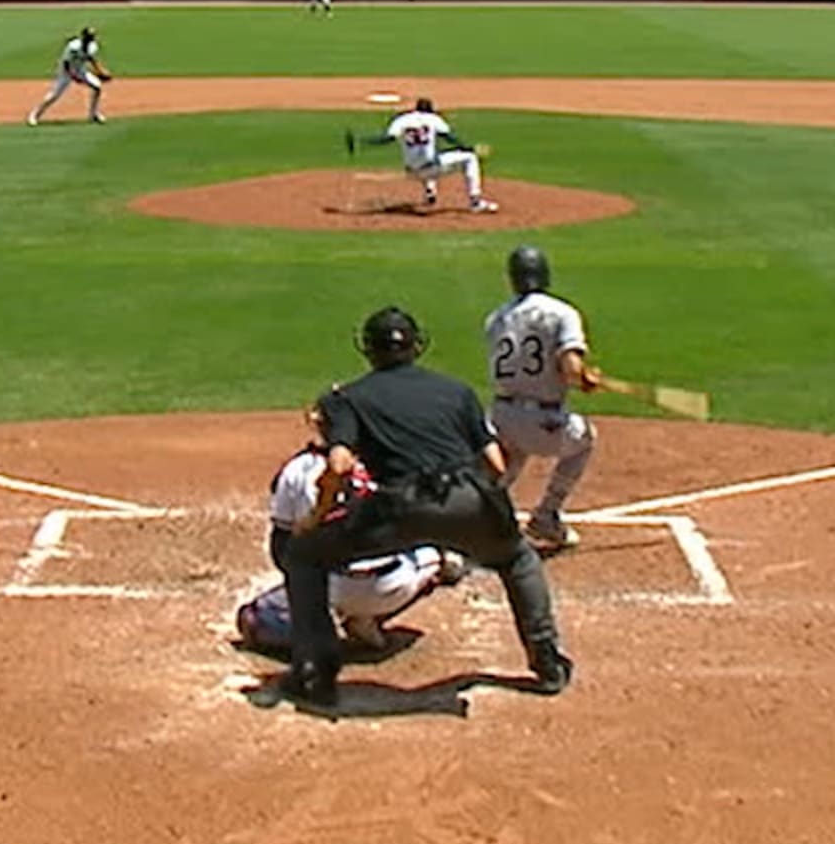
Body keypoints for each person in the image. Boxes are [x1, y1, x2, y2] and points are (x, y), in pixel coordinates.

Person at [277, 306, 571, 707]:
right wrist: (481, 513)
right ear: (416, 346)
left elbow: (339, 465)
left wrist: (315, 517)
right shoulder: (457, 391)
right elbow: (497, 465)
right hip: (469, 496)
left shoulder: (345, 398)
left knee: (305, 557)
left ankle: (317, 673)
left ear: (369, 350)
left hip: (399, 507)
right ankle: (547, 662)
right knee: (518, 560)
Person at [235, 427, 469, 658]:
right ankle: (369, 619)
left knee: (251, 618)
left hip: (328, 585)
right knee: (441, 557)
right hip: (392, 585)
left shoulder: (299, 468)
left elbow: (281, 543)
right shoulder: (390, 460)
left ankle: (320, 632)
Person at [484, 245, 603, 554]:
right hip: (543, 421)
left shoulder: (497, 317)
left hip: (500, 417)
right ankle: (547, 514)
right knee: (585, 439)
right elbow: (571, 369)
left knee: (505, 466)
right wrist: (586, 378)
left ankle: (474, 525)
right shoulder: (563, 312)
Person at [359, 95, 496, 213]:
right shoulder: (433, 118)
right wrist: (467, 148)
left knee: (428, 154)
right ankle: (475, 202)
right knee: (469, 159)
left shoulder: (402, 119)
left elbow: (386, 139)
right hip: (431, 169)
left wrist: (363, 141)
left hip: (411, 172)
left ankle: (430, 191)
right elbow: (449, 137)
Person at [27, 26, 110, 126]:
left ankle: (93, 114)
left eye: (91, 37)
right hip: (65, 72)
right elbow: (66, 64)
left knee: (97, 87)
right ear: (83, 37)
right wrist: (74, 77)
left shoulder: (93, 46)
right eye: (88, 37)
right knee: (54, 95)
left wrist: (100, 71)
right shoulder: (73, 46)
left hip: (80, 70)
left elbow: (92, 59)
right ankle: (34, 115)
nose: (90, 40)